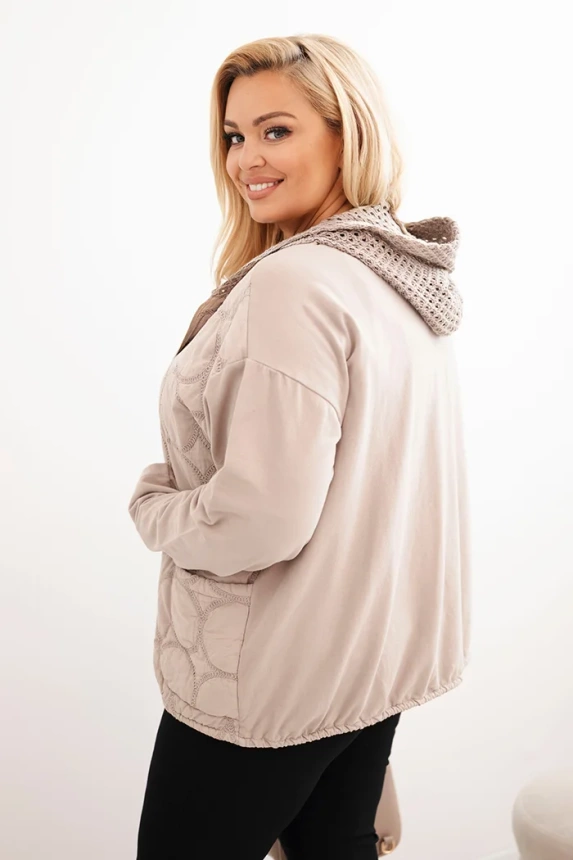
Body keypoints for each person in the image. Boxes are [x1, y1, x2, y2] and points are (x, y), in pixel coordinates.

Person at [128, 32, 471, 860]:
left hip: (270, 678)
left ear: (347, 135)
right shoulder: (396, 277)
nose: (246, 158)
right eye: (234, 135)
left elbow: (259, 519)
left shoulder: (295, 284)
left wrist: (156, 510)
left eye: (276, 130)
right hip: (366, 657)